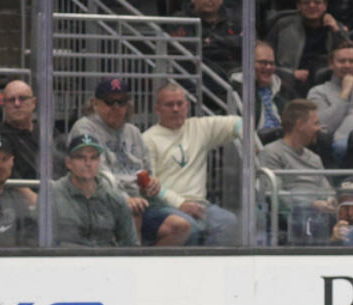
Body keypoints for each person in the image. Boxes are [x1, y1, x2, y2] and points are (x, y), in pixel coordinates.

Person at [69, 76, 194, 247]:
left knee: (182, 227)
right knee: (131, 212)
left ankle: (148, 267)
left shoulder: (133, 132)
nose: (116, 107)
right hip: (98, 201)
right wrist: (123, 199)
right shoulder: (84, 128)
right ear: (96, 104)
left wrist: (152, 183)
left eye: (121, 102)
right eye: (109, 102)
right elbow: (94, 173)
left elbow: (148, 170)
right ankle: (132, 264)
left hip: (139, 200)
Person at [142, 82, 240, 246]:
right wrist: (181, 204)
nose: (175, 109)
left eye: (180, 104)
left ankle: (208, 268)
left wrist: (253, 143)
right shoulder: (147, 139)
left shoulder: (199, 127)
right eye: (169, 105)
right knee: (190, 227)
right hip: (164, 207)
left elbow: (238, 123)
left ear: (187, 106)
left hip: (200, 206)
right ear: (157, 109)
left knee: (228, 222)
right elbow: (149, 185)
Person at [259, 98, 336, 240]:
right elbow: (274, 193)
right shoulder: (271, 153)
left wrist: (331, 201)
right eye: (316, 123)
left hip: (319, 216)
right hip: (291, 217)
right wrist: (311, 205)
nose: (320, 128)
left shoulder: (315, 158)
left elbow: (327, 189)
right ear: (300, 125)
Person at [51, 133, 137, 248]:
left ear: (99, 162)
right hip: (66, 261)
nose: (88, 163)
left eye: (93, 157)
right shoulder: (53, 196)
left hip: (106, 262)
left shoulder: (114, 198)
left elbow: (130, 244)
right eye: (81, 157)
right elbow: (38, 241)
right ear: (69, 163)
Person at [267, 0, 350, 87]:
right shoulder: (283, 26)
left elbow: (349, 56)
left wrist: (336, 30)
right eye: (306, 2)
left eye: (317, 2)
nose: (311, 5)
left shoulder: (335, 27)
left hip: (326, 81)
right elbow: (265, 55)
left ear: (325, 6)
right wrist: (290, 74)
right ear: (299, 6)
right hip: (290, 81)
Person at [0, 80, 61, 181]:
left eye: (22, 98)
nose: (17, 104)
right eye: (11, 100)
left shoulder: (48, 132)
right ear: (4, 106)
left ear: (33, 103)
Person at [233, 40, 299, 131]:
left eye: (271, 63)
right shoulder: (236, 88)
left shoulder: (284, 87)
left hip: (283, 137)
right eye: (263, 63)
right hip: (256, 140)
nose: (268, 67)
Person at [169, 0, 241, 77]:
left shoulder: (235, 18)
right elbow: (187, 49)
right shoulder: (179, 20)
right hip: (193, 77)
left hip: (232, 74)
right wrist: (228, 45)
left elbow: (247, 43)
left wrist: (213, 41)